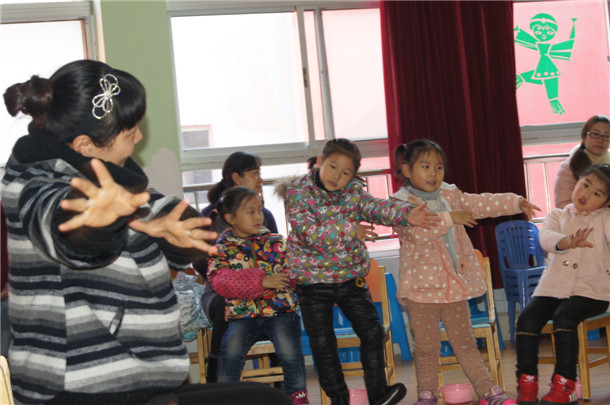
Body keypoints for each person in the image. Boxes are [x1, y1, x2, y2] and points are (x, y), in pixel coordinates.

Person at [1, 59, 292, 405]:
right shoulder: (33, 188)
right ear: (85, 146)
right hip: (79, 388)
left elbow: (164, 211)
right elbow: (70, 232)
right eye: (130, 132)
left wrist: (177, 233)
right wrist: (102, 221)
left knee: (266, 399)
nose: (139, 137)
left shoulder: (113, 177)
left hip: (135, 381)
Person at [276, 138, 440, 405]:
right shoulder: (298, 193)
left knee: (373, 332)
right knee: (323, 344)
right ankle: (339, 399)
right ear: (320, 161)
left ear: (353, 176)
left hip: (350, 278)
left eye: (345, 173)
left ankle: (378, 394)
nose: (336, 177)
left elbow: (376, 207)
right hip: (312, 282)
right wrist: (349, 230)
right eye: (332, 167)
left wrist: (406, 214)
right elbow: (307, 233)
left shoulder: (352, 193)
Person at [391, 139, 539, 405]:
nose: (434, 173)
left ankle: (488, 391)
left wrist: (515, 202)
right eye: (426, 166)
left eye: (439, 167)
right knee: (426, 348)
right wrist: (451, 218)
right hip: (421, 293)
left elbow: (481, 203)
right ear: (407, 170)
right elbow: (416, 234)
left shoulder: (451, 195)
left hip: (453, 289)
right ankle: (427, 395)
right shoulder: (400, 205)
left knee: (466, 344)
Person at [515, 164, 610, 405]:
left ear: (606, 202)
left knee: (564, 318)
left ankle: (565, 384)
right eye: (585, 184)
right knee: (526, 319)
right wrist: (568, 241)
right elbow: (546, 238)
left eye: (597, 193)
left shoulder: (605, 218)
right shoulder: (557, 215)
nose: (587, 193)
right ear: (577, 181)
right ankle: (527, 383)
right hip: (553, 288)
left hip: (593, 292)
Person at [207, 186, 309, 405]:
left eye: (260, 210)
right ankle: (225, 398)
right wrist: (261, 281)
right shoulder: (221, 249)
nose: (258, 216)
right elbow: (220, 281)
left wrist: (294, 275)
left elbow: (294, 270)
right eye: (250, 211)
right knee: (230, 352)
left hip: (280, 311)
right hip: (243, 315)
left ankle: (297, 397)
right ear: (231, 218)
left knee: (290, 352)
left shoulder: (276, 241)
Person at [191, 151, 280, 383]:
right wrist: (231, 278)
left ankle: (282, 380)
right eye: (255, 173)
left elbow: (276, 257)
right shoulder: (210, 215)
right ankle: (216, 376)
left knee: (282, 307)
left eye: (260, 174)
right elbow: (198, 259)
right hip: (220, 292)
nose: (260, 179)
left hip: (262, 288)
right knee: (227, 305)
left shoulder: (266, 216)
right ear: (236, 177)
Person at [554, 115, 610, 209]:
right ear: (584, 136)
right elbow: (563, 204)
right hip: (577, 216)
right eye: (595, 134)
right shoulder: (569, 166)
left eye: (607, 136)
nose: (601, 140)